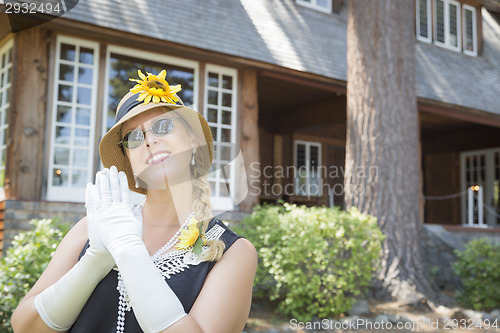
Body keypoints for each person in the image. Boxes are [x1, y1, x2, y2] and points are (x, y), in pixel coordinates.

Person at [11, 69, 257, 333]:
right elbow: (24, 326)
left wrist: (128, 250)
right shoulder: (91, 229)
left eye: (163, 126)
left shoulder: (233, 252)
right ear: (128, 160)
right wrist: (95, 260)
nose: (149, 141)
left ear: (193, 140)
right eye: (134, 137)